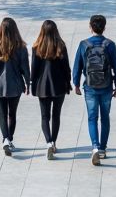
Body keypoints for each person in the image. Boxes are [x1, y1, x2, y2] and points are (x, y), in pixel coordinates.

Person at [73, 14, 116, 165]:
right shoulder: (110, 45)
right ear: (104, 27)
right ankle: (102, 149)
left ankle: (95, 146)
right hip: (106, 86)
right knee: (105, 117)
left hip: (90, 87)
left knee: (92, 118)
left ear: (90, 27)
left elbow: (77, 66)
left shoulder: (84, 44)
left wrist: (76, 84)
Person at [0, 17, 31, 156]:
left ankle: (5, 139)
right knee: (12, 114)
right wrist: (27, 83)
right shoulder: (20, 47)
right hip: (15, 85)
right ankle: (9, 139)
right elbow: (25, 68)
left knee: (2, 114)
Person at [31, 19, 73, 159]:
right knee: (56, 115)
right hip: (59, 85)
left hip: (42, 86)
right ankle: (54, 142)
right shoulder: (61, 46)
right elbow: (66, 67)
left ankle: (48, 142)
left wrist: (32, 84)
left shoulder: (37, 47)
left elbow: (34, 69)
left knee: (45, 116)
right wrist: (68, 82)